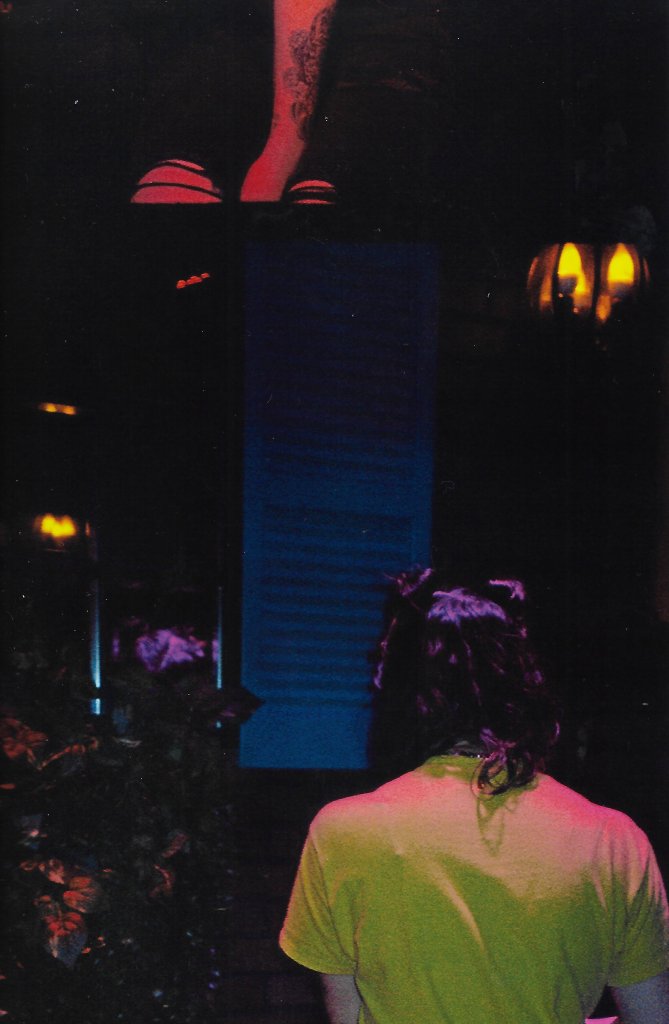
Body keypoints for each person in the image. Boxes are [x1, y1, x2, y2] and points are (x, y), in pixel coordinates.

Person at [279, 568, 669, 1024]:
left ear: (398, 690)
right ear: (528, 685)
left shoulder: (341, 832)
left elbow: (347, 1016)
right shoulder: (614, 839)